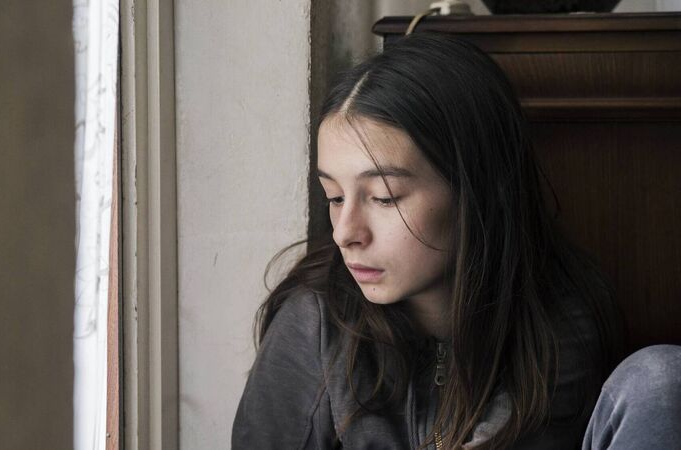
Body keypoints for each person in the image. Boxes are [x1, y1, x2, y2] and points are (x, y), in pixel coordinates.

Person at [231, 32, 681, 449]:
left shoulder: (557, 323)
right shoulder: (315, 321)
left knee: (661, 378)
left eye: (384, 197)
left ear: (477, 189)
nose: (345, 232)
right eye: (334, 196)